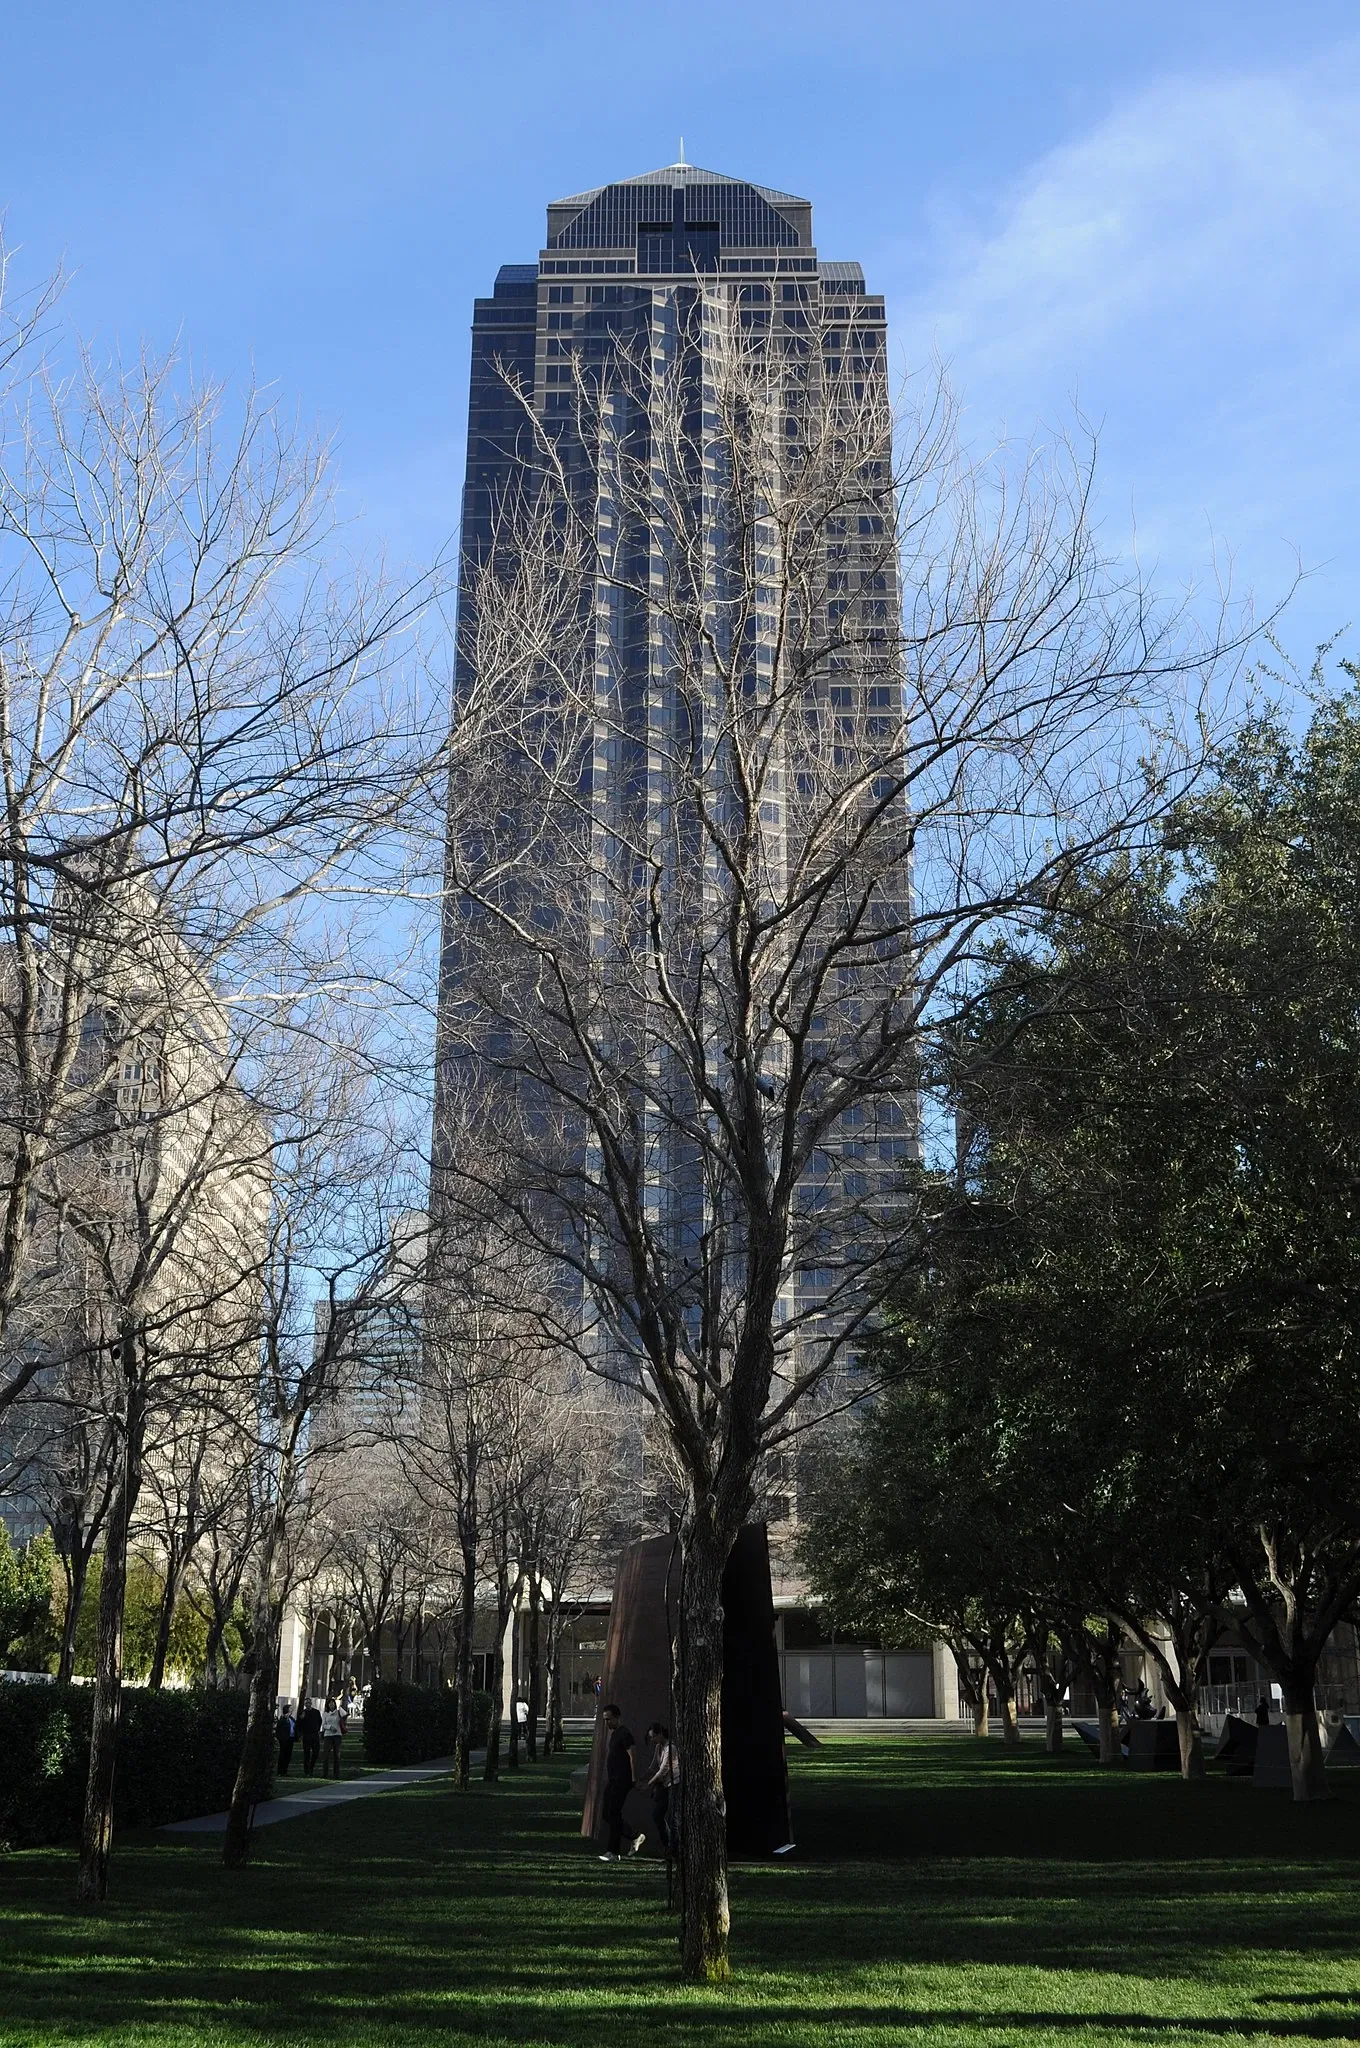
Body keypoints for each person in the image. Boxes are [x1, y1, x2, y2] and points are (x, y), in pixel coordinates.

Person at [597, 1703, 643, 1862]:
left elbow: (633, 1756)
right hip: (613, 1780)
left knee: (614, 1814)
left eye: (609, 1719)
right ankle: (634, 1836)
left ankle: (613, 1852)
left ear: (617, 1717)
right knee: (607, 1814)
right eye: (604, 1720)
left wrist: (633, 1778)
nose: (607, 1723)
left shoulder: (624, 1734)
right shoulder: (615, 1733)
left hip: (622, 1781)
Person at [644, 1722, 677, 1854]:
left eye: (654, 1737)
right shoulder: (659, 1747)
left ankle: (673, 1846)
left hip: (673, 1784)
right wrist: (641, 1778)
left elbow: (663, 1770)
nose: (652, 1740)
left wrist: (648, 1784)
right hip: (664, 1784)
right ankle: (668, 1844)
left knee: (672, 1816)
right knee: (658, 1815)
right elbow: (653, 1766)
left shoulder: (671, 1748)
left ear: (660, 1734)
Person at [320, 1696, 343, 1779]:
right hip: (328, 1735)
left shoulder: (338, 1712)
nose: (331, 1705)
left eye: (333, 1703)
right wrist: (329, 1727)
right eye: (330, 1704)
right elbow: (323, 1725)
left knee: (336, 1755)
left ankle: (336, 1774)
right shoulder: (325, 1714)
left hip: (337, 1735)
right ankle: (325, 1773)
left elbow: (345, 1716)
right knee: (326, 1755)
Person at [299, 1698, 323, 1775]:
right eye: (306, 1703)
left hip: (315, 1734)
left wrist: (318, 1730)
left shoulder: (316, 1712)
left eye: (309, 1703)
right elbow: (299, 1725)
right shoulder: (303, 1713)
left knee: (316, 1752)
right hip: (306, 1735)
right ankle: (306, 1770)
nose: (308, 1704)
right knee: (306, 1753)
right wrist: (301, 1719)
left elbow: (320, 1721)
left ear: (311, 1703)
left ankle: (311, 1767)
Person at [275, 1702, 296, 1776]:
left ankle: (285, 1771)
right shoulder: (283, 1718)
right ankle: (280, 1771)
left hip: (291, 1738)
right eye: (290, 1708)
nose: (292, 1710)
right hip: (284, 1739)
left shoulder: (292, 1719)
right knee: (282, 1755)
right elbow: (279, 1729)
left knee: (288, 1755)